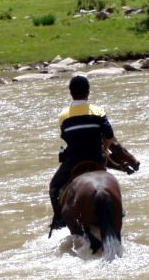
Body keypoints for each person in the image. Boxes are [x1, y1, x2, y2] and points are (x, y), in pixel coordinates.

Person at [49, 75, 116, 234]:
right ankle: (118, 210)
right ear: (88, 92)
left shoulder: (64, 115)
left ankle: (59, 219)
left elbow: (65, 136)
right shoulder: (99, 112)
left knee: (54, 187)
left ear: (71, 93)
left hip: (73, 160)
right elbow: (109, 136)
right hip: (95, 158)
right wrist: (104, 149)